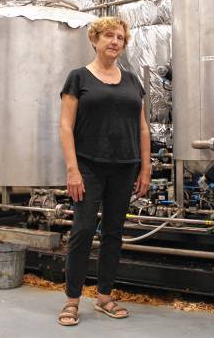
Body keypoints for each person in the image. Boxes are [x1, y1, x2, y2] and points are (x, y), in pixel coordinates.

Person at [57, 16, 152, 326]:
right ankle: (72, 300)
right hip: (88, 165)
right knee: (83, 230)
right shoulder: (79, 78)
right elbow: (65, 125)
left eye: (120, 38)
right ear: (94, 40)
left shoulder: (132, 81)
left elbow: (143, 128)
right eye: (109, 36)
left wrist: (146, 167)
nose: (115, 41)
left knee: (114, 233)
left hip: (125, 167)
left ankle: (105, 297)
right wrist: (72, 169)